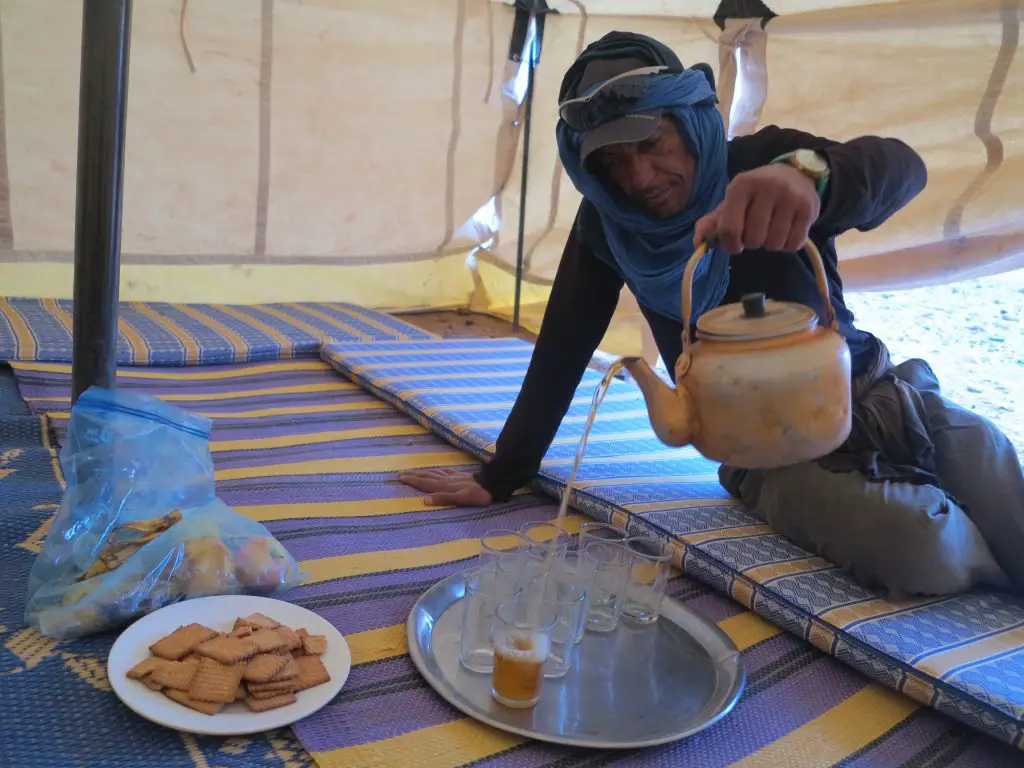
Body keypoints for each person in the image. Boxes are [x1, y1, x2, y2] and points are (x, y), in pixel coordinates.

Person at [400, 31, 1024, 596]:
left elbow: (903, 168)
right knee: (921, 545)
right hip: (770, 456)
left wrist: (811, 176)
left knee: (1002, 484)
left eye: (651, 143)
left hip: (887, 398)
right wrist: (502, 473)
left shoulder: (766, 165)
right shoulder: (608, 227)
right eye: (610, 162)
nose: (638, 177)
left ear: (689, 120)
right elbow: (561, 350)